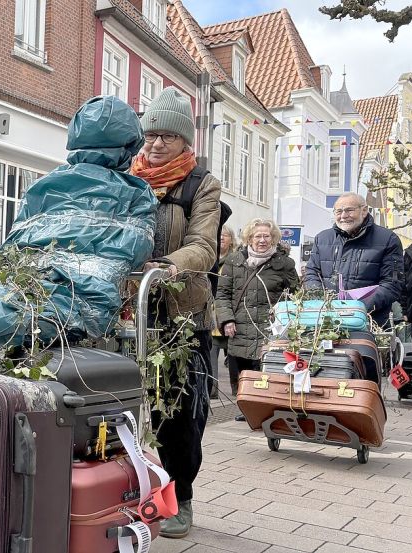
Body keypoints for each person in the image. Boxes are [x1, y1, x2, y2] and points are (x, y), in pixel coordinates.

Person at [129, 87, 221, 539]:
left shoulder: (201, 183)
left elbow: (203, 245)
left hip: (181, 316)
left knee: (178, 415)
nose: (156, 144)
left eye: (167, 136)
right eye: (151, 135)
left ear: (185, 140)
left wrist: (167, 266)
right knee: (122, 406)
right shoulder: (129, 176)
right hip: (130, 312)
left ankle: (180, 497)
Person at [216, 219, 299, 421]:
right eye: (257, 236)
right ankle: (247, 408)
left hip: (270, 327)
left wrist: (286, 320)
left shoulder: (284, 264)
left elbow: (296, 295)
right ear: (249, 238)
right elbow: (222, 294)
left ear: (273, 238)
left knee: (267, 368)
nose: (262, 240)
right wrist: (227, 320)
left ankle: (267, 409)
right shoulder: (234, 261)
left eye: (266, 236)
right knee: (243, 370)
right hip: (240, 326)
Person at [304, 192, 403, 328]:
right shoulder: (322, 239)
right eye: (339, 211)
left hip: (371, 323)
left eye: (349, 210)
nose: (343, 216)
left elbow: (392, 284)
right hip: (327, 321)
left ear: (364, 211)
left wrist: (359, 308)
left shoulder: (388, 239)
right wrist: (322, 301)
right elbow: (311, 273)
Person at [209, 225, 235, 399]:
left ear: (231, 240)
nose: (221, 238)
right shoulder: (210, 258)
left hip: (230, 316)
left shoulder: (236, 260)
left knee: (234, 358)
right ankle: (212, 391)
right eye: (218, 235)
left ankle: (238, 392)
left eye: (224, 235)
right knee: (212, 354)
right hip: (212, 316)